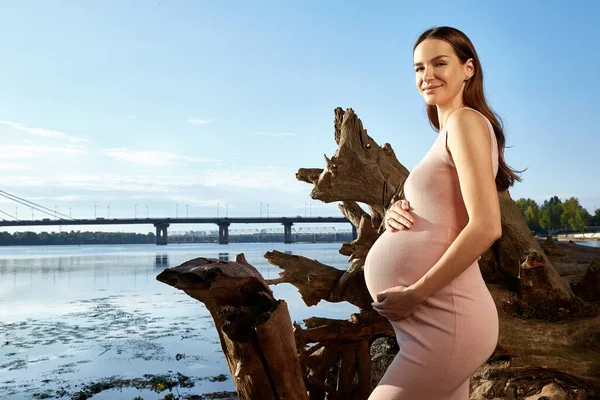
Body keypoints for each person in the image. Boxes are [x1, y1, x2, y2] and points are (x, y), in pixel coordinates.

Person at [363, 26, 522, 400]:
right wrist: (398, 212)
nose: (426, 76)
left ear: (468, 69)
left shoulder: (466, 122)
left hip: (447, 321)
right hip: (431, 323)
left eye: (439, 63)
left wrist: (416, 293)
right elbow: (447, 211)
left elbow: (485, 227)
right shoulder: (450, 129)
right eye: (419, 68)